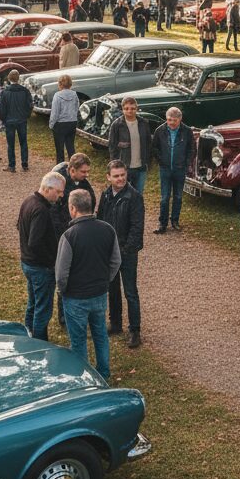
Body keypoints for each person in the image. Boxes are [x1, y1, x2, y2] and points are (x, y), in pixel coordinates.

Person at [56, 188, 120, 379]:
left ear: (73, 208)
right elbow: (116, 261)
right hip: (99, 294)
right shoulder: (108, 229)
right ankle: (104, 373)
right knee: (100, 335)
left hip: (75, 297)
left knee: (78, 341)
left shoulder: (69, 236)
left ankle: (82, 377)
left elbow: (61, 273)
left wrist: (62, 291)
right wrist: (105, 280)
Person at [99, 159, 145, 347]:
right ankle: (116, 323)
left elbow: (137, 227)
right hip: (109, 251)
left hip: (127, 252)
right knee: (112, 288)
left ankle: (135, 330)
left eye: (122, 175)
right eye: (116, 176)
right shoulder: (106, 195)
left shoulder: (134, 197)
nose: (120, 179)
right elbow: (101, 219)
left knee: (130, 291)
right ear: (108, 177)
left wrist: (126, 250)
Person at [17, 171, 65, 339]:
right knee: (42, 310)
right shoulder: (41, 210)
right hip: (40, 267)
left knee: (33, 303)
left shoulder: (28, 201)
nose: (60, 196)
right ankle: (39, 343)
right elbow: (35, 242)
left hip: (27, 263)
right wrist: (51, 261)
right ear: (47, 188)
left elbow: (19, 227)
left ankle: (28, 335)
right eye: (58, 192)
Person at [150, 106, 194, 234]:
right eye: (169, 120)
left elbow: (192, 149)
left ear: (180, 119)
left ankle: (175, 221)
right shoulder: (160, 130)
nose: (171, 123)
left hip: (180, 169)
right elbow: (154, 148)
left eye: (174, 120)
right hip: (165, 169)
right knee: (164, 197)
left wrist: (186, 164)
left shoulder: (187, 131)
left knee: (178, 196)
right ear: (166, 118)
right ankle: (162, 223)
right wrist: (161, 161)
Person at [108, 96, 151, 192]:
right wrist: (115, 165)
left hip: (141, 167)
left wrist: (148, 161)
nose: (130, 111)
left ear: (137, 109)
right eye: (126, 109)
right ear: (122, 109)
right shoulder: (117, 125)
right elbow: (112, 147)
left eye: (132, 108)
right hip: (124, 168)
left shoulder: (144, 123)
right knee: (123, 193)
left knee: (138, 194)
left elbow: (148, 144)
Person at [0, 68, 33, 172]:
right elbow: (30, 105)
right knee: (23, 142)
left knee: (11, 144)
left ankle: (12, 165)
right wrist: (27, 115)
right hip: (22, 120)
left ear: (9, 78)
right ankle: (25, 164)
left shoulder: (4, 92)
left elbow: (2, 108)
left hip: (9, 121)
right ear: (18, 78)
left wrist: (3, 119)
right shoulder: (25, 91)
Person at [49, 73, 79, 162]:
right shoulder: (75, 95)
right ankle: (74, 167)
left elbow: (55, 112)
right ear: (70, 84)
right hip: (72, 122)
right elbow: (77, 107)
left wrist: (51, 124)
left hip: (60, 124)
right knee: (71, 147)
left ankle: (60, 167)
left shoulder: (57, 96)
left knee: (59, 148)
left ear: (60, 84)